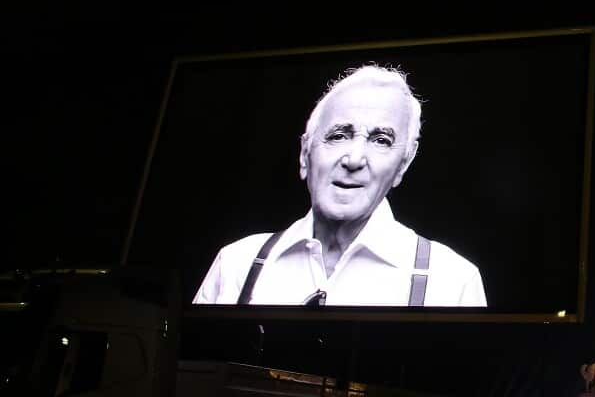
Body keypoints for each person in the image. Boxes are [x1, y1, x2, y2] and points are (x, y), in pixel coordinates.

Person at [193, 65, 486, 307]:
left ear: (403, 166)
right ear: (304, 154)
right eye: (338, 136)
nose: (354, 159)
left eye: (381, 140)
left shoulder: (451, 280)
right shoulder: (236, 263)